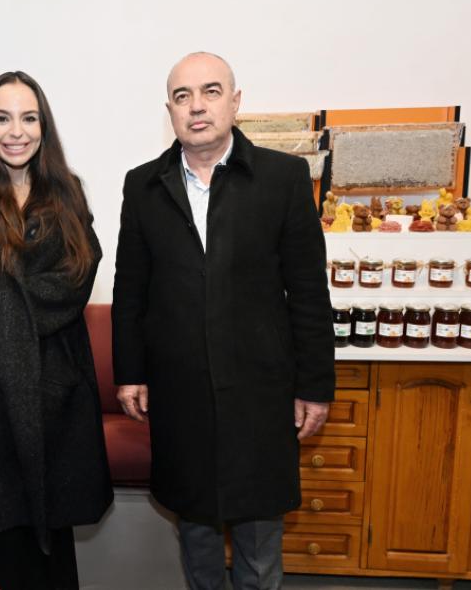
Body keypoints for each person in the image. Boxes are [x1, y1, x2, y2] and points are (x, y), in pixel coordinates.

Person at [112, 52, 334, 590]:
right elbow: (130, 290)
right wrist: (130, 372)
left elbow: (308, 292)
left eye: (211, 92)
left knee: (259, 538)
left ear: (235, 102)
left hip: (261, 390)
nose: (197, 106)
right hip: (180, 390)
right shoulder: (143, 186)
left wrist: (314, 385)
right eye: (182, 96)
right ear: (169, 110)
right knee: (197, 529)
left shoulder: (283, 178)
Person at [0, 71, 113, 590]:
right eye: (2, 118)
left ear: (43, 126)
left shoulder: (66, 191)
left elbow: (78, 274)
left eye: (29, 118)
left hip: (55, 390)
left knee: (51, 554)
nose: (16, 131)